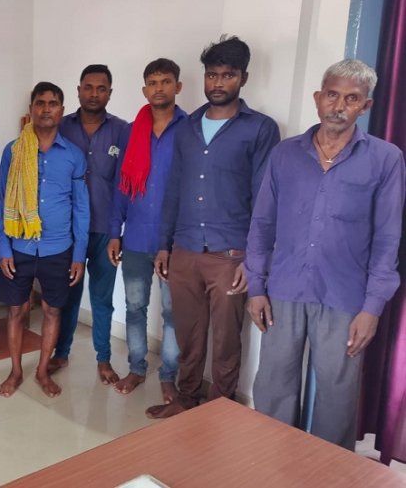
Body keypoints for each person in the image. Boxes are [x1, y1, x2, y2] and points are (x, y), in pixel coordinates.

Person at [246, 59, 405, 450]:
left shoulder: (385, 159)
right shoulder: (285, 154)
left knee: (337, 397)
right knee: (274, 388)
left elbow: (388, 238)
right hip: (284, 290)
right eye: (332, 95)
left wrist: (372, 308)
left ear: (365, 106)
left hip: (345, 296)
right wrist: (256, 287)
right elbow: (262, 224)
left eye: (352, 99)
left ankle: (326, 472)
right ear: (318, 98)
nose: (339, 106)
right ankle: (271, 464)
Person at [147, 36, 280, 419]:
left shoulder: (260, 129)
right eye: (212, 75)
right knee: (187, 333)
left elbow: (265, 199)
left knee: (225, 341)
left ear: (243, 78)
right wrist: (164, 245)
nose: (218, 82)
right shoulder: (186, 128)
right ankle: (187, 399)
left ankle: (221, 412)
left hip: (230, 255)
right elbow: (173, 188)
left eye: (228, 75)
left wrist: (253, 260)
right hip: (185, 250)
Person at [0, 82, 90, 398]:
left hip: (59, 248)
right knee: (16, 311)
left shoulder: (73, 155)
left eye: (52, 103)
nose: (46, 109)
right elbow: (3, 200)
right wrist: (4, 247)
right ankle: (15, 371)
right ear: (31, 109)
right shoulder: (14, 151)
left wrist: (78, 255)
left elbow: (81, 208)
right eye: (40, 103)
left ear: (61, 110)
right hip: (19, 245)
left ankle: (41, 371)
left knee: (52, 310)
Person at [108, 58, 186, 403]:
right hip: (137, 237)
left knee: (173, 312)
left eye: (166, 81)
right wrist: (115, 231)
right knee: (135, 307)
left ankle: (169, 375)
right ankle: (137, 368)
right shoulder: (131, 131)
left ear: (178, 87)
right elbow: (121, 184)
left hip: (175, 241)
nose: (159, 88)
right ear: (144, 90)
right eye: (152, 83)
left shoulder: (189, 128)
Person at [52, 64, 127, 384]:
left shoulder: (122, 131)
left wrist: (117, 231)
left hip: (105, 231)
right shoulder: (61, 127)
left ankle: (104, 359)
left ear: (110, 93)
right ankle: (61, 352)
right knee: (68, 295)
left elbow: (125, 184)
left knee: (101, 298)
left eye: (101, 88)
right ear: (78, 90)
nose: (94, 94)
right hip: (68, 230)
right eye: (88, 87)